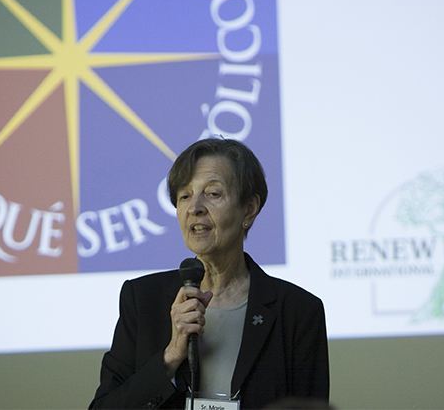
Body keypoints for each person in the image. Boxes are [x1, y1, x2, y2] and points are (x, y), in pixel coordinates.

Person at [90, 139, 329, 409]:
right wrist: (169, 357)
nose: (195, 207)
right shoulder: (142, 299)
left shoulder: (297, 311)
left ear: (249, 209)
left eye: (213, 194)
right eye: (184, 196)